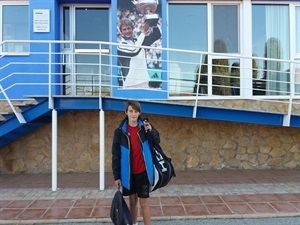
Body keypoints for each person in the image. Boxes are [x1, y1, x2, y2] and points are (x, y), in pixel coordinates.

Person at [112, 100, 160, 225]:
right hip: (128, 174)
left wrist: (152, 130)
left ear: (139, 113)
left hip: (143, 172)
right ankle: (134, 223)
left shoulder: (144, 128)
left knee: (144, 202)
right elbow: (116, 155)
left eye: (136, 111)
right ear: (126, 112)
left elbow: (157, 141)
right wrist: (117, 176)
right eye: (131, 111)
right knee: (132, 202)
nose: (133, 114)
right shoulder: (119, 132)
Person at [117, 17, 161, 89]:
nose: (127, 31)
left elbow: (156, 36)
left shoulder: (139, 41)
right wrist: (143, 32)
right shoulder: (120, 45)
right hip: (130, 84)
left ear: (133, 29)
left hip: (144, 81)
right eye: (124, 29)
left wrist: (153, 24)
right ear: (121, 32)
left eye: (129, 28)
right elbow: (134, 51)